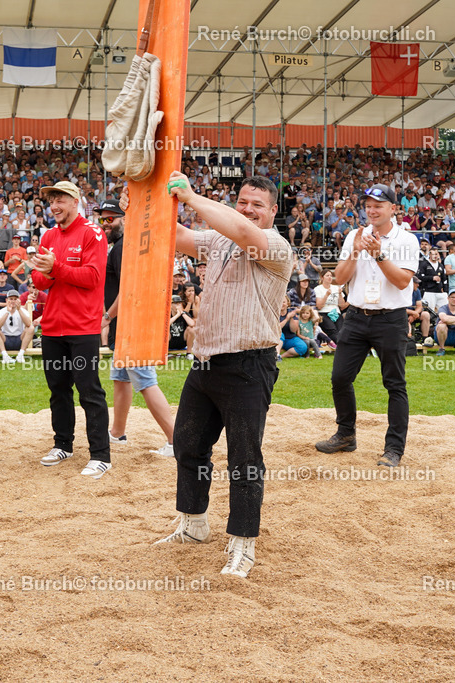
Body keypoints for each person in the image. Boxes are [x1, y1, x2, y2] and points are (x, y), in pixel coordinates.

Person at [153, 172, 292, 580]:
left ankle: (243, 545)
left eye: (257, 204)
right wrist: (144, 200)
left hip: (250, 364)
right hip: (206, 360)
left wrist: (193, 197)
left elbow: (244, 231)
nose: (248, 209)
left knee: (245, 460)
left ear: (272, 211)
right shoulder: (217, 239)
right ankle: (194, 523)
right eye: (243, 201)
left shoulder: (277, 247)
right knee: (188, 442)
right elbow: (176, 234)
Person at [315, 184, 419, 469]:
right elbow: (338, 278)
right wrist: (355, 252)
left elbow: (401, 282)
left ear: (393, 208)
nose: (372, 210)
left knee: (395, 384)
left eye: (379, 205)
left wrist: (379, 255)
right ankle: (346, 434)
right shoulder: (354, 235)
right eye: (368, 205)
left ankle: (394, 448)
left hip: (391, 318)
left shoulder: (407, 240)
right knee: (339, 378)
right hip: (358, 317)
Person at [30, 181, 111, 479]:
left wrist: (56, 268)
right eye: (51, 200)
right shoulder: (49, 235)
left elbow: (92, 277)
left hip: (82, 327)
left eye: (60, 199)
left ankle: (101, 455)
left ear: (75, 200)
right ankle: (63, 444)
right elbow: (39, 282)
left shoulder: (93, 232)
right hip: (52, 327)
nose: (54, 206)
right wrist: (48, 271)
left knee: (90, 391)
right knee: (58, 391)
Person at [99, 197, 175, 456]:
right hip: (128, 324)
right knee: (121, 380)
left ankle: (177, 440)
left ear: (126, 219)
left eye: (111, 218)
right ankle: (117, 433)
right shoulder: (123, 245)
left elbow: (128, 290)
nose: (105, 223)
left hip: (131, 324)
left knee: (145, 382)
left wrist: (106, 318)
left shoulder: (123, 247)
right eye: (102, 219)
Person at [0, 290, 35, 364]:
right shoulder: (1, 311)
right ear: (7, 300)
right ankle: (5, 355)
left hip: (20, 339)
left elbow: (28, 324)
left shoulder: (23, 311)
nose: (13, 301)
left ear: (19, 300)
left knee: (31, 328)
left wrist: (19, 309)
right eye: (11, 299)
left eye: (15, 299)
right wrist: (7, 312)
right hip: (5, 339)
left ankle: (21, 354)